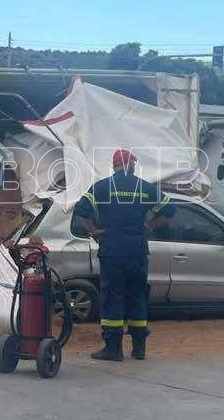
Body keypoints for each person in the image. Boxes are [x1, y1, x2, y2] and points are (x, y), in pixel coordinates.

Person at [72, 149, 176, 362]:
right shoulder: (145, 187)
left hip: (112, 251)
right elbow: (170, 209)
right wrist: (150, 225)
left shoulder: (101, 187)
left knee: (113, 297)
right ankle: (139, 348)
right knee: (137, 296)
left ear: (114, 166)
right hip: (137, 251)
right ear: (132, 166)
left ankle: (113, 349)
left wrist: (94, 231)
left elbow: (81, 210)